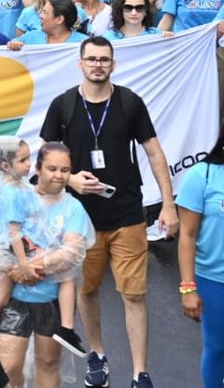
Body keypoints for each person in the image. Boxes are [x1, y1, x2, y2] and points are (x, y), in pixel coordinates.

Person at [40, 37, 178, 388]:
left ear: (113, 64)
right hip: (80, 219)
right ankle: (98, 354)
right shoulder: (64, 105)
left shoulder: (130, 102)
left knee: (134, 295)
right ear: (80, 63)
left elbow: (154, 152)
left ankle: (139, 373)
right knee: (86, 292)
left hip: (128, 215)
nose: (98, 64)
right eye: (91, 59)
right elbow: (44, 162)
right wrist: (70, 180)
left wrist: (168, 203)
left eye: (104, 59)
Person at [0, 142, 96, 388]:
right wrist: (13, 269)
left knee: (48, 363)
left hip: (51, 301)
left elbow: (71, 254)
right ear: (38, 168)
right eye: (52, 168)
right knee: (8, 366)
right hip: (13, 298)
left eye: (65, 170)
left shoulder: (73, 208)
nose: (59, 176)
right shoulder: (17, 197)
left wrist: (29, 267)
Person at [175, 123, 224, 388]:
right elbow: (187, 236)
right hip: (215, 282)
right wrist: (188, 289)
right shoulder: (202, 176)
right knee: (217, 349)